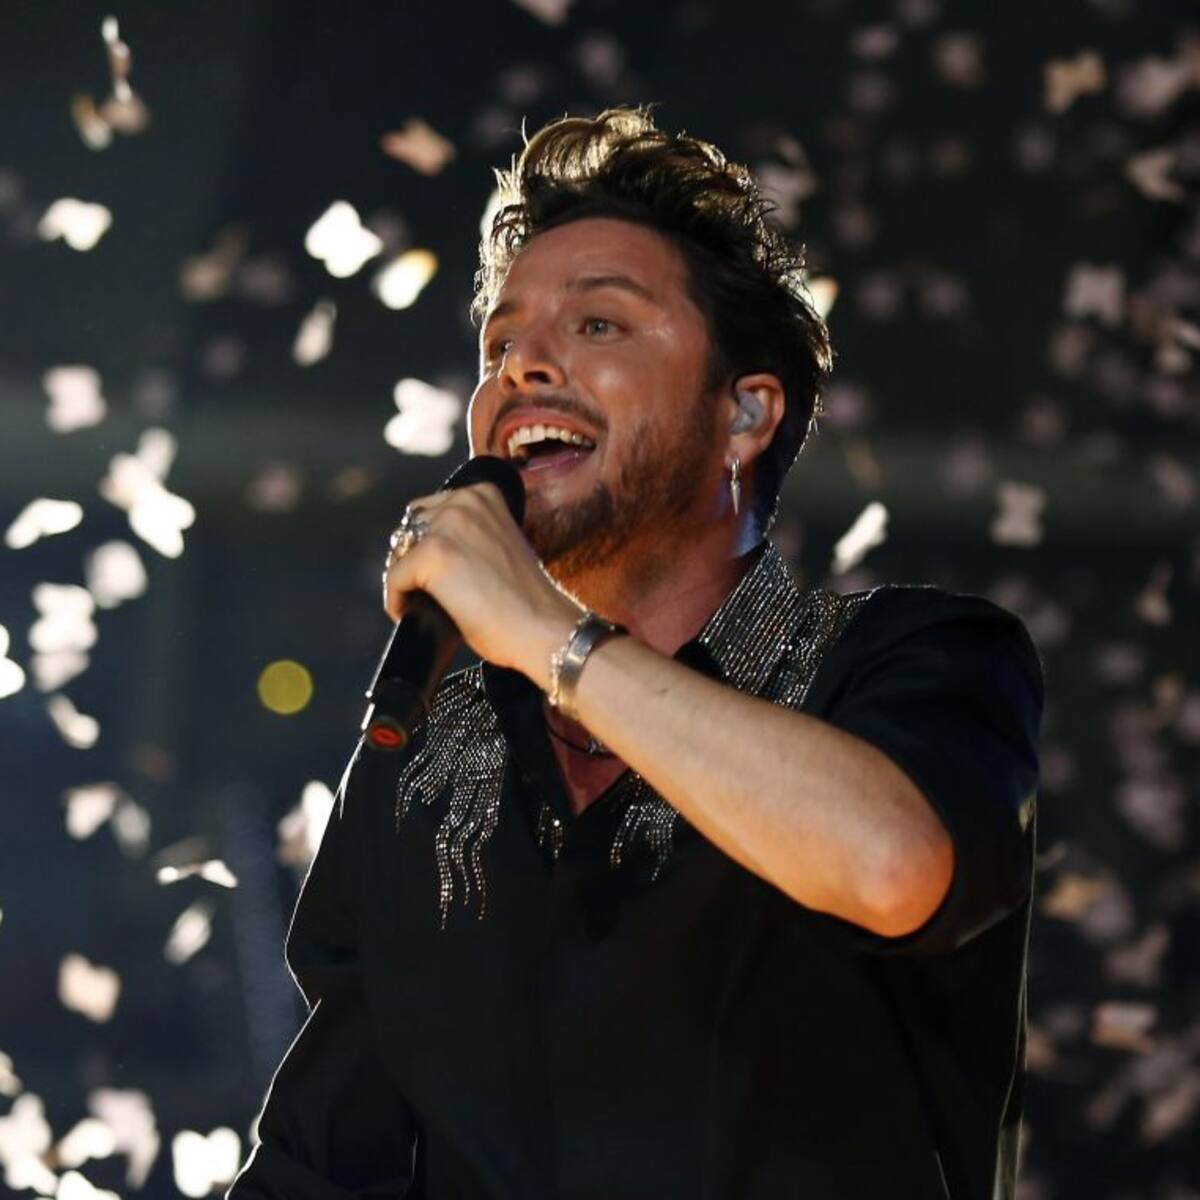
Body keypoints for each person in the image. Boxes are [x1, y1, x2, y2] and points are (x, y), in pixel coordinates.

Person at [228, 105, 1044, 1199]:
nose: (522, 367)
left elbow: (893, 868)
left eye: (599, 324)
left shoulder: (909, 660)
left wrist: (545, 634)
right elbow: (319, 1170)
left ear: (745, 414)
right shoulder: (425, 769)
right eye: (499, 345)